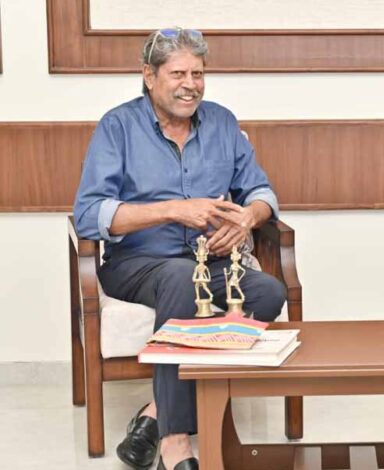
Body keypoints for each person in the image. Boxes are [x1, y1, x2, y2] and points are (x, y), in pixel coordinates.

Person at [73, 27, 287, 470]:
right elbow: (90, 213)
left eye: (198, 73)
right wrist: (173, 210)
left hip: (213, 262)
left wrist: (249, 217)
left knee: (268, 291)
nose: (191, 84)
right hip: (138, 263)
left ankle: (155, 411)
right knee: (180, 279)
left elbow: (262, 191)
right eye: (178, 74)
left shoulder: (223, 123)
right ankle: (174, 441)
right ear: (149, 76)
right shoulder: (117, 127)